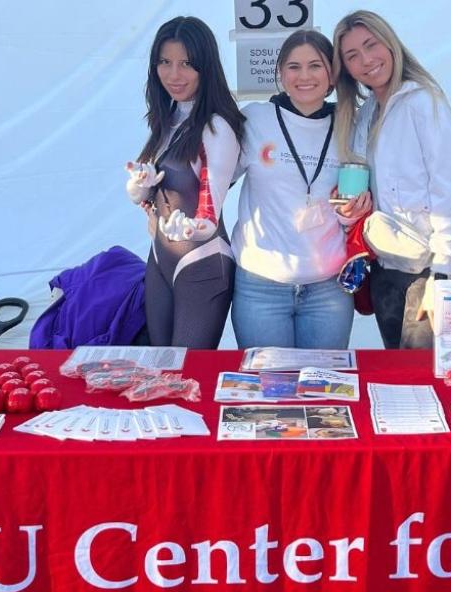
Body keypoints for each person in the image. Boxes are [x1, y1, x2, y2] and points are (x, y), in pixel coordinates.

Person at [333, 11, 451, 349]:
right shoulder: (366, 113)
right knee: (401, 379)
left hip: (430, 270)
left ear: (391, 43)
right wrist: (351, 212)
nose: (366, 60)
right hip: (386, 270)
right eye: (352, 55)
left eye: (371, 45)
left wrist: (441, 277)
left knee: (433, 380)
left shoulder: (424, 103)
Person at [230, 29, 372, 349]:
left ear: (333, 74)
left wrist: (355, 212)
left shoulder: (352, 123)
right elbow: (214, 179)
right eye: (293, 67)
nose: (304, 76)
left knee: (322, 392)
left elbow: (360, 197)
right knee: (266, 390)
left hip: (329, 289)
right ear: (280, 74)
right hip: (260, 286)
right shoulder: (254, 118)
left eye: (315, 66)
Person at [125, 16, 245, 348]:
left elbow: (209, 210)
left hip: (202, 263)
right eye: (165, 62)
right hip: (160, 259)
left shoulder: (216, 126)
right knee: (161, 370)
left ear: (205, 67)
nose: (174, 74)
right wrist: (139, 188)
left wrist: (192, 228)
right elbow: (154, 197)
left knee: (189, 375)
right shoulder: (168, 119)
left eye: (186, 64)